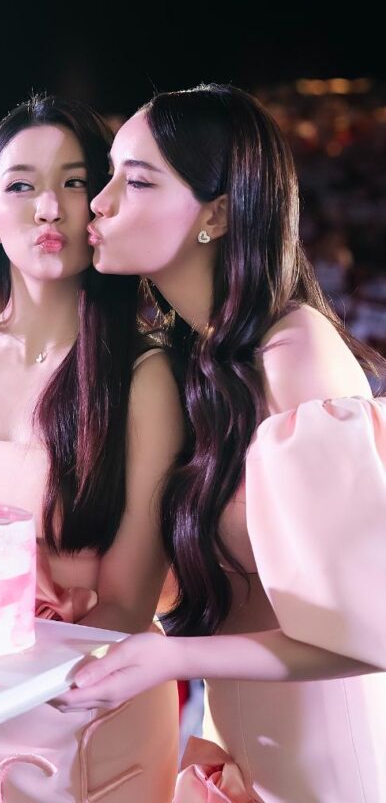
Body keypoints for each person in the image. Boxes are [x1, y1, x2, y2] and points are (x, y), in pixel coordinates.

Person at [57, 84, 386, 801]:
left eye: (137, 181)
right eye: (108, 175)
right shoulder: (194, 366)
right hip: (239, 751)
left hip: (329, 767)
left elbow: (372, 628)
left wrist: (172, 661)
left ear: (217, 213)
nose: (100, 203)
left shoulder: (296, 352)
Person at [0, 95, 182, 802]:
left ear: (102, 203)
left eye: (74, 182)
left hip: (87, 708)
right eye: (21, 186)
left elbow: (127, 603)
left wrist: (7, 674)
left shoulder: (145, 376)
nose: (49, 209)